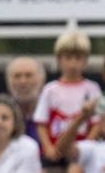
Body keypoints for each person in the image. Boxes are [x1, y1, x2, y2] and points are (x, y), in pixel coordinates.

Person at [33, 30, 101, 163]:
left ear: (85, 60)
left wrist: (86, 147)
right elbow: (41, 123)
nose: (73, 64)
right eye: (68, 58)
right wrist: (48, 148)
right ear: (59, 59)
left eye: (78, 58)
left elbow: (97, 123)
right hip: (56, 150)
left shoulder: (92, 88)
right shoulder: (50, 89)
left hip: (81, 153)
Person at [3, 56, 45, 138]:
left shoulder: (52, 114)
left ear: (42, 79)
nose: (23, 81)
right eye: (17, 76)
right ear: (8, 81)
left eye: (29, 75)